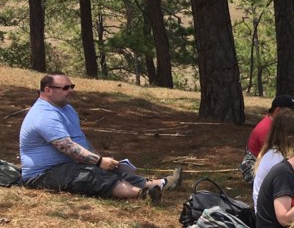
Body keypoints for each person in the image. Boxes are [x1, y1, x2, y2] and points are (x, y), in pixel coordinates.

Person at [18, 72, 182, 202]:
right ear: (48, 90)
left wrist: (99, 160)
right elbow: (66, 147)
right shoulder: (43, 114)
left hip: (67, 164)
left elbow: (80, 140)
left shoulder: (66, 109)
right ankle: (142, 194)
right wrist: (98, 162)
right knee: (91, 175)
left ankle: (160, 184)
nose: (71, 91)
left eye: (72, 86)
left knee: (106, 170)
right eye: (66, 88)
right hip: (43, 174)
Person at [251, 108, 294, 208]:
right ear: (290, 134)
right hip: (269, 214)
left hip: (269, 205)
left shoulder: (275, 152)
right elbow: (285, 215)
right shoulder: (277, 162)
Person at [242, 95, 294, 182]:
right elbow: (278, 163)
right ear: (278, 110)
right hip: (253, 169)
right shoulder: (267, 130)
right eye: (290, 112)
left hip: (270, 170)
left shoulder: (274, 126)